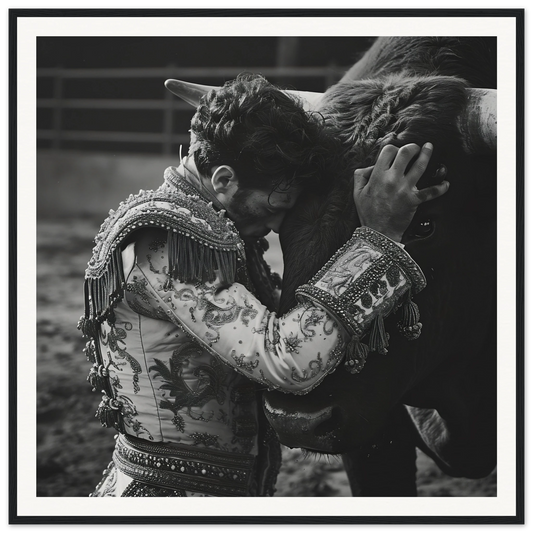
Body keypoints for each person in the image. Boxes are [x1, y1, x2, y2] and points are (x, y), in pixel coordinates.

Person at [78, 73, 449, 497]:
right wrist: (378, 239)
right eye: (277, 204)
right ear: (223, 180)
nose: (275, 225)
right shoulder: (170, 237)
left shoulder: (212, 224)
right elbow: (285, 361)